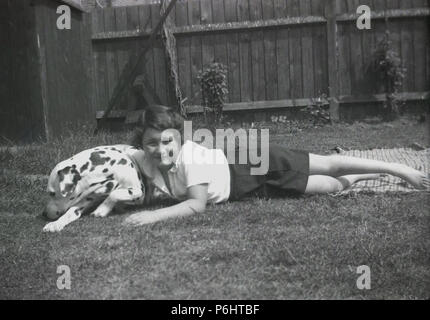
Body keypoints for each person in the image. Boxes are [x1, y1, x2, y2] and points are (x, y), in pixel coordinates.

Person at [124, 105, 429, 226]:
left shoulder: (190, 157)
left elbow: (196, 204)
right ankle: (368, 175)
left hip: (251, 163)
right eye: (152, 143)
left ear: (179, 139)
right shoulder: (142, 158)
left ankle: (399, 169)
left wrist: (152, 216)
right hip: (247, 188)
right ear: (142, 143)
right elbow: (117, 156)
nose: (161, 149)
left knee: (330, 166)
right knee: (330, 187)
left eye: (168, 141)